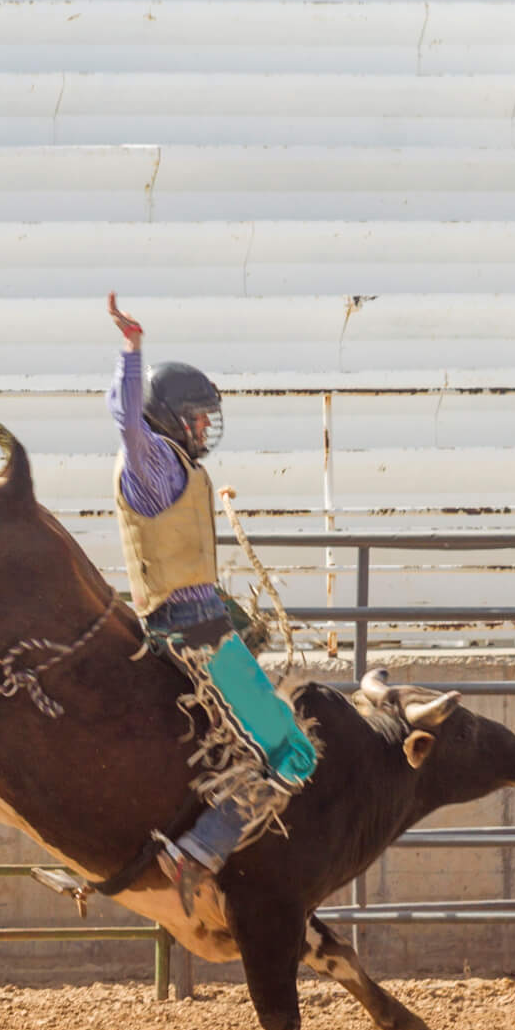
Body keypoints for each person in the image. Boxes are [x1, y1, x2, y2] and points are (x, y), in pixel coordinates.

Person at [106, 292, 319, 914]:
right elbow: (126, 421)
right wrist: (131, 351)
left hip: (200, 620)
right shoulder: (149, 464)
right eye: (197, 418)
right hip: (192, 634)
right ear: (169, 418)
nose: (204, 428)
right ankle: (197, 852)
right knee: (296, 753)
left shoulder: (176, 469)